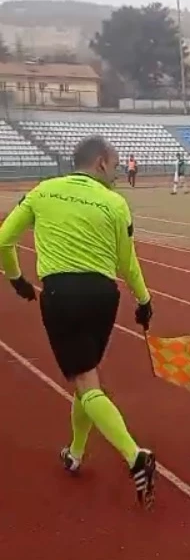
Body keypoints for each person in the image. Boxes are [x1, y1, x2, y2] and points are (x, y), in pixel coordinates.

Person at [0, 135, 157, 508]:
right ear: (101, 162)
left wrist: (17, 278)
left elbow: (3, 240)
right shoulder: (116, 203)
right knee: (87, 378)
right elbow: (127, 261)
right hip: (104, 297)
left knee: (85, 380)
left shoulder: (43, 191)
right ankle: (75, 452)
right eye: (117, 165)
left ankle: (135, 455)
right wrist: (144, 299)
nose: (118, 173)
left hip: (62, 294)